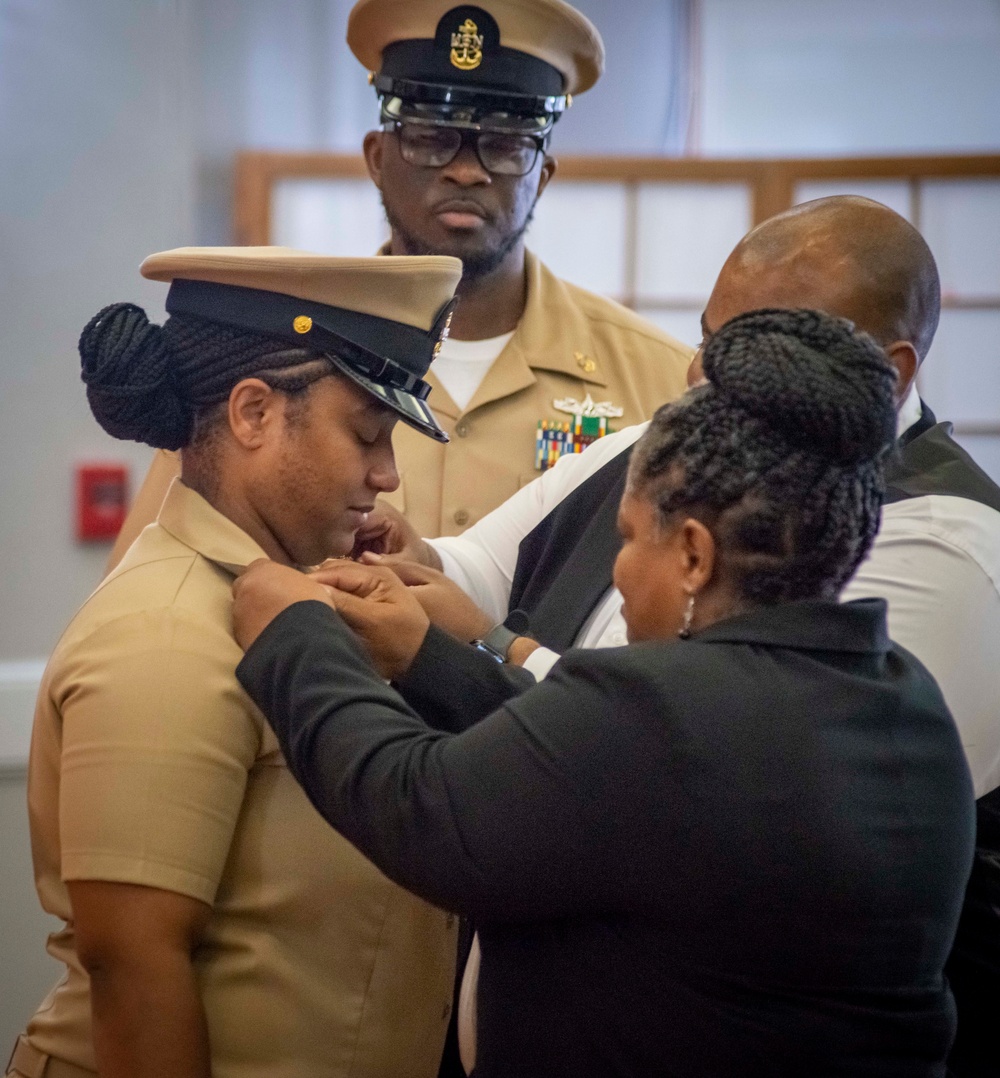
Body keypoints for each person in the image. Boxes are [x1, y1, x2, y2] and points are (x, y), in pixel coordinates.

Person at [230, 307, 975, 1077]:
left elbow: (419, 806)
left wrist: (297, 636)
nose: (616, 571)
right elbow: (580, 777)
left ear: (692, 555)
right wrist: (431, 654)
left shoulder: (665, 709)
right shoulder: (903, 701)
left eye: (627, 537)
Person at [6, 247, 463, 1078]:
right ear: (253, 413)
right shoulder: (166, 630)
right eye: (367, 431)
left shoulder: (294, 600)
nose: (388, 473)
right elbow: (135, 967)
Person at [103, 0, 691, 566]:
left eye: (506, 145)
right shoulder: (266, 360)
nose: (466, 170)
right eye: (431, 138)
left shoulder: (657, 381)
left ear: (543, 177)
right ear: (377, 157)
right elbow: (152, 578)